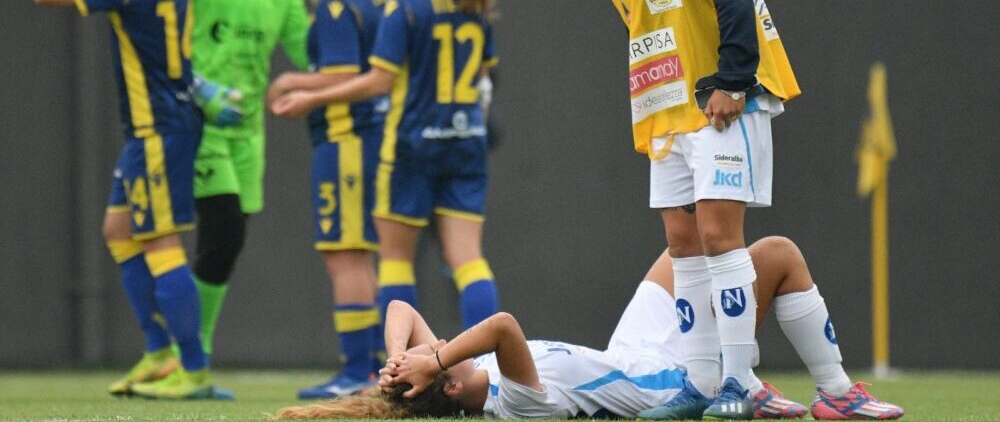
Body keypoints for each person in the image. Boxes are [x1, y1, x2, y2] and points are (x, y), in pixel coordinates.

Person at [540, 0, 804, 419]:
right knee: (684, 245)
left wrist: (732, 82)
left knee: (719, 237)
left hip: (718, 108)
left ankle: (738, 382)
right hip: (668, 125)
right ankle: (701, 384)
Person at [272, 237, 903, 420]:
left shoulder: (461, 375)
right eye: (442, 359)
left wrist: (397, 359)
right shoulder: (515, 404)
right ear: (454, 389)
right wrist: (432, 360)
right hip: (662, 381)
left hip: (627, 348)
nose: (437, 347)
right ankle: (831, 391)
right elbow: (502, 326)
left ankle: (747, 377)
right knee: (776, 255)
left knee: (685, 235)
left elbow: (400, 312)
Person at [33, 0, 227, 399]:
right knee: (119, 230)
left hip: (159, 127)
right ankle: (160, 351)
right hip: (165, 123)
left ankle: (194, 369)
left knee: (161, 243)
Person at [271, 0, 500, 334]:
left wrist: (308, 98)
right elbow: (485, 74)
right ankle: (485, 372)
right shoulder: (474, 0)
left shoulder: (406, 2)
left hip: (411, 144)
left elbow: (377, 82)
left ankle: (402, 367)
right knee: (469, 261)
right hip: (466, 141)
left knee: (395, 261)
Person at [178, 0, 311, 358]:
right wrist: (200, 90)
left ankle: (182, 349)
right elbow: (164, 38)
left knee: (224, 244)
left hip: (247, 129)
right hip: (196, 122)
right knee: (221, 231)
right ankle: (190, 351)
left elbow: (305, 47)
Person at [266, 0, 390, 399]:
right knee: (363, 253)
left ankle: (358, 370)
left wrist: (295, 85)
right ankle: (375, 364)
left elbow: (342, 71)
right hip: (371, 138)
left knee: (346, 254)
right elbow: (345, 12)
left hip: (345, 140)